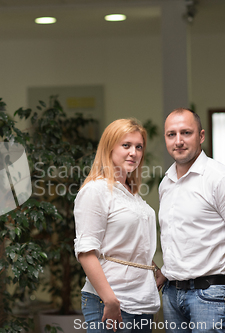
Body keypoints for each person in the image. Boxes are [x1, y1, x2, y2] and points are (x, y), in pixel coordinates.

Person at [155, 108, 225, 333]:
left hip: (209, 294)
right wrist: (167, 270)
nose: (178, 141)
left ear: (201, 136)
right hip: (172, 294)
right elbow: (178, 235)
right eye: (171, 134)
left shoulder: (220, 179)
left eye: (186, 133)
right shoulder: (166, 183)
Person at [74, 118, 161, 333]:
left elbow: (131, 243)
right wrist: (110, 301)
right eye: (126, 145)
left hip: (142, 300)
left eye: (138, 147)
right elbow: (86, 252)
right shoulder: (96, 190)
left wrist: (155, 270)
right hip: (110, 301)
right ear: (109, 148)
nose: (134, 152)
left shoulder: (131, 194)